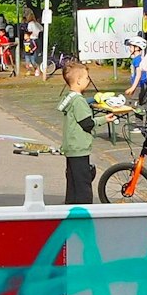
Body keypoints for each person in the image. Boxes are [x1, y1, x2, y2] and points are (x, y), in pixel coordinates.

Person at [57, 62, 97, 204]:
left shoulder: (69, 97)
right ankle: (84, 213)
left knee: (73, 184)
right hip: (80, 148)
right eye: (86, 78)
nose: (88, 80)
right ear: (79, 81)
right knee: (83, 186)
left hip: (70, 147)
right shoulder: (79, 101)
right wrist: (105, 119)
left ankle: (71, 209)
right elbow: (88, 124)